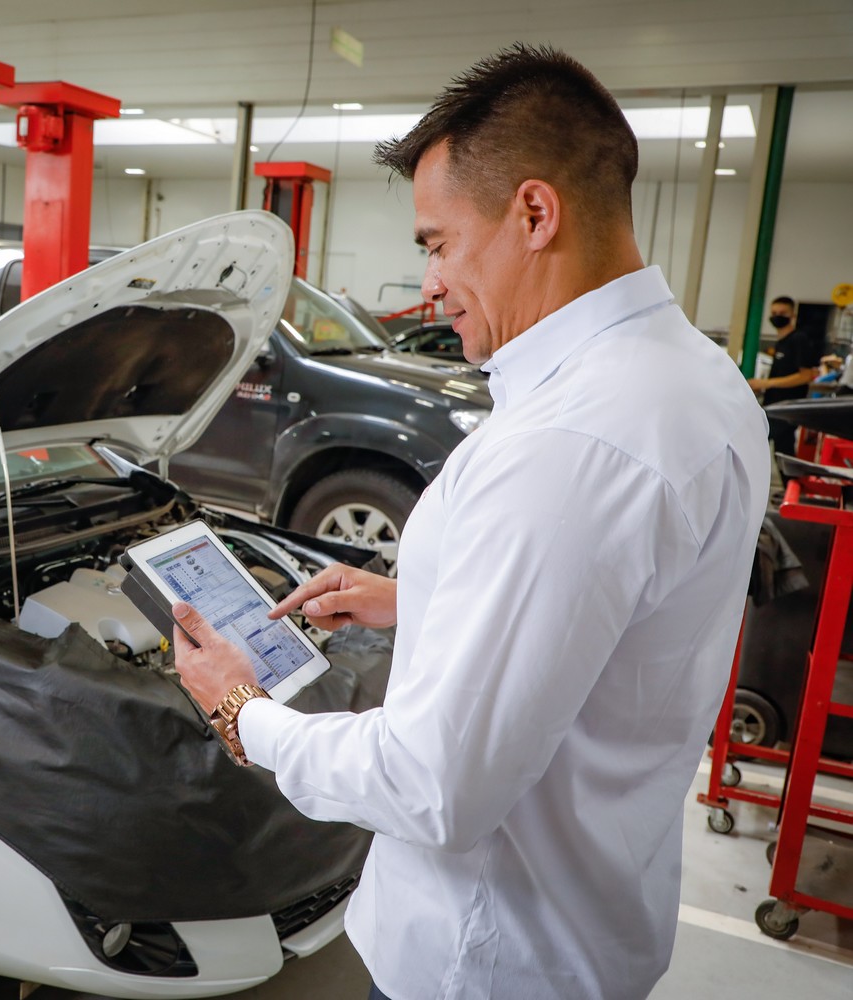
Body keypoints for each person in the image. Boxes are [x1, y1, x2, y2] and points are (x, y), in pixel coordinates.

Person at [171, 44, 769, 1000]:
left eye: (438, 244)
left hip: (482, 960)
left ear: (534, 213)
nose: (431, 286)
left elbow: (432, 785)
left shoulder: (573, 444)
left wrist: (248, 717)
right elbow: (611, 620)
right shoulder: (696, 381)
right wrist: (424, 599)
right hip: (590, 921)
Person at [747, 296, 819, 452]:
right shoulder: (781, 342)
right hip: (775, 405)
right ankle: (790, 477)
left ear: (792, 315)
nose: (777, 316)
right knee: (782, 451)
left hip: (787, 408)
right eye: (774, 312)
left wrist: (767, 383)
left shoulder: (798, 339)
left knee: (756, 443)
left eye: (782, 312)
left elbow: (806, 376)